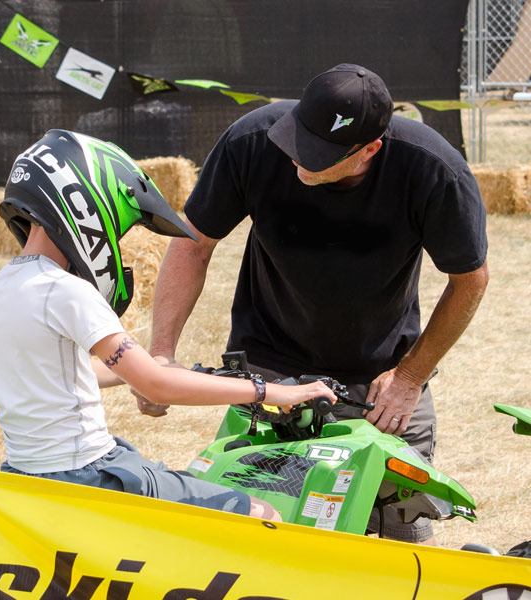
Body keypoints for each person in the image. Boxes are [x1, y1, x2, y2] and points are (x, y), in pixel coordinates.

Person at [143, 64, 490, 544]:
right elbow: (192, 244)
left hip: (378, 382)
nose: (296, 157)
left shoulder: (432, 169)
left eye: (317, 153)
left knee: (398, 541)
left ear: (369, 149)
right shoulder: (253, 141)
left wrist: (410, 377)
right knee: (257, 531)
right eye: (296, 137)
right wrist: (161, 354)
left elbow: (470, 280)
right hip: (268, 367)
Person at [0, 129, 337, 523]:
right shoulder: (64, 291)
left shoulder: (3, 287)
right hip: (87, 472)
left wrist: (142, 368)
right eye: (118, 227)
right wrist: (271, 392)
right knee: (262, 513)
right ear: (83, 206)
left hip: (28, 473)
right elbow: (156, 386)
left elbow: (57, 373)